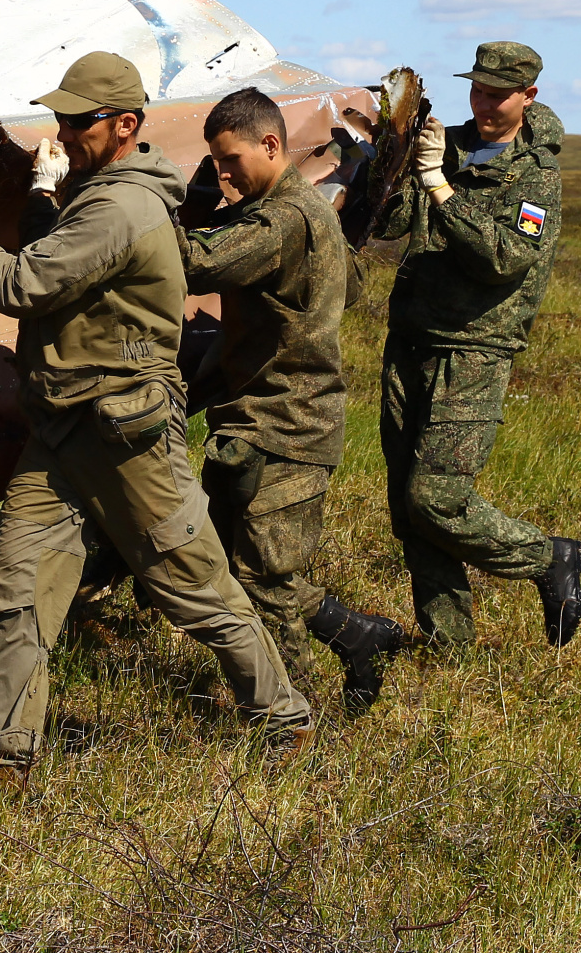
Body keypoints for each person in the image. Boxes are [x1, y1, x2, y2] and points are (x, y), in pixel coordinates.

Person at [0, 52, 312, 774]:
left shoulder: (121, 205)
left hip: (126, 435)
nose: (64, 130)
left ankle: (283, 717)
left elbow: (24, 284)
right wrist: (44, 193)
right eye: (59, 117)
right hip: (62, 427)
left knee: (194, 589)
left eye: (78, 121)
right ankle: (6, 754)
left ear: (124, 125)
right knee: (15, 588)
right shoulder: (101, 194)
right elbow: (54, 252)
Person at [177, 86, 413, 713]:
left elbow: (192, 265)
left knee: (262, 581)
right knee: (245, 566)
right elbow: (353, 289)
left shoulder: (280, 221)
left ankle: (292, 717)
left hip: (285, 426)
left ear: (272, 145)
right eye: (216, 164)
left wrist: (126, 206)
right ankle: (357, 635)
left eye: (230, 161)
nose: (224, 176)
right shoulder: (305, 211)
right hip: (271, 417)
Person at [375, 42, 581, 650]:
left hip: (474, 350)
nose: (484, 104)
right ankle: (450, 645)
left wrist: (440, 184)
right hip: (411, 338)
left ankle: (547, 558)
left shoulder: (536, 176)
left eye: (498, 94)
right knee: (408, 510)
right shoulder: (452, 142)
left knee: (437, 498)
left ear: (529, 97)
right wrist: (392, 163)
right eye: (477, 91)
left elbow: (504, 257)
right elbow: (390, 227)